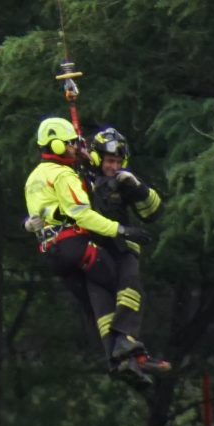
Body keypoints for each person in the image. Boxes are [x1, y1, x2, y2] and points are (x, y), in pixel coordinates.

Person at [23, 114, 146, 378]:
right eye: (68, 144)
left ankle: (116, 359)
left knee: (95, 301)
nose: (72, 148)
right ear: (55, 145)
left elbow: (40, 215)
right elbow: (82, 215)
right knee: (122, 282)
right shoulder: (64, 175)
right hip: (74, 246)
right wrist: (121, 229)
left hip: (51, 254)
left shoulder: (34, 177)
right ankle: (126, 347)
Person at [86, 127, 168, 374]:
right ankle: (120, 351)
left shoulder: (123, 182)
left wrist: (136, 186)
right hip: (94, 251)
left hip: (122, 248)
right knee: (107, 305)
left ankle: (126, 351)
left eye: (118, 162)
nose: (114, 166)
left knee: (129, 292)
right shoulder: (81, 181)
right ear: (98, 158)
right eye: (110, 160)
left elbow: (153, 212)